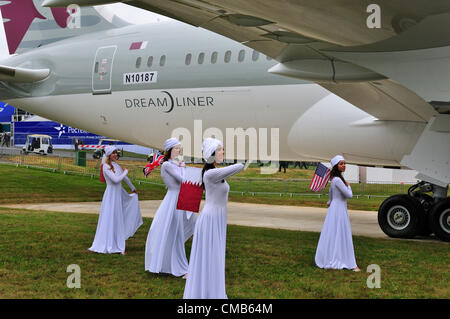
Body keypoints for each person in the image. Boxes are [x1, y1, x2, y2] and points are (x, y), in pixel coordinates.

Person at [183, 138, 244, 299]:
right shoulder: (210, 174)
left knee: (215, 257)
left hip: (217, 218)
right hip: (210, 219)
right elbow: (239, 166)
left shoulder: (214, 172)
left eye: (222, 149)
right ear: (211, 155)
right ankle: (204, 293)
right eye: (219, 150)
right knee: (210, 257)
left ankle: (211, 291)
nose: (222, 152)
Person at [145, 138, 196, 277]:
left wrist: (182, 167)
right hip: (173, 200)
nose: (179, 150)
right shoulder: (167, 165)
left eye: (180, 148)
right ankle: (174, 265)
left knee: (176, 231)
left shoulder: (177, 164)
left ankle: (169, 262)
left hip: (180, 198)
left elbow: (186, 178)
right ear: (170, 150)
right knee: (172, 231)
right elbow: (183, 179)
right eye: (177, 148)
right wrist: (183, 167)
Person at [88, 146, 142, 254]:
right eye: (113, 153)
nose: (115, 155)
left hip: (118, 194)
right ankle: (108, 243)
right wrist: (125, 172)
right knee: (110, 217)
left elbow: (125, 178)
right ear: (108, 155)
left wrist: (133, 188)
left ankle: (119, 244)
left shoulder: (116, 165)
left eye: (116, 153)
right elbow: (116, 180)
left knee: (118, 218)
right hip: (111, 195)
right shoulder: (105, 167)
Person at [315, 155, 360, 272]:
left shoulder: (334, 179)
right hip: (339, 210)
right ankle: (344, 260)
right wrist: (349, 186)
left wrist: (330, 202)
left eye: (344, 163)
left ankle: (336, 256)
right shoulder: (338, 180)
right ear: (336, 166)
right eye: (341, 163)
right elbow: (349, 195)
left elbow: (331, 193)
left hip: (335, 209)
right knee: (340, 233)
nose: (344, 165)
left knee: (334, 233)